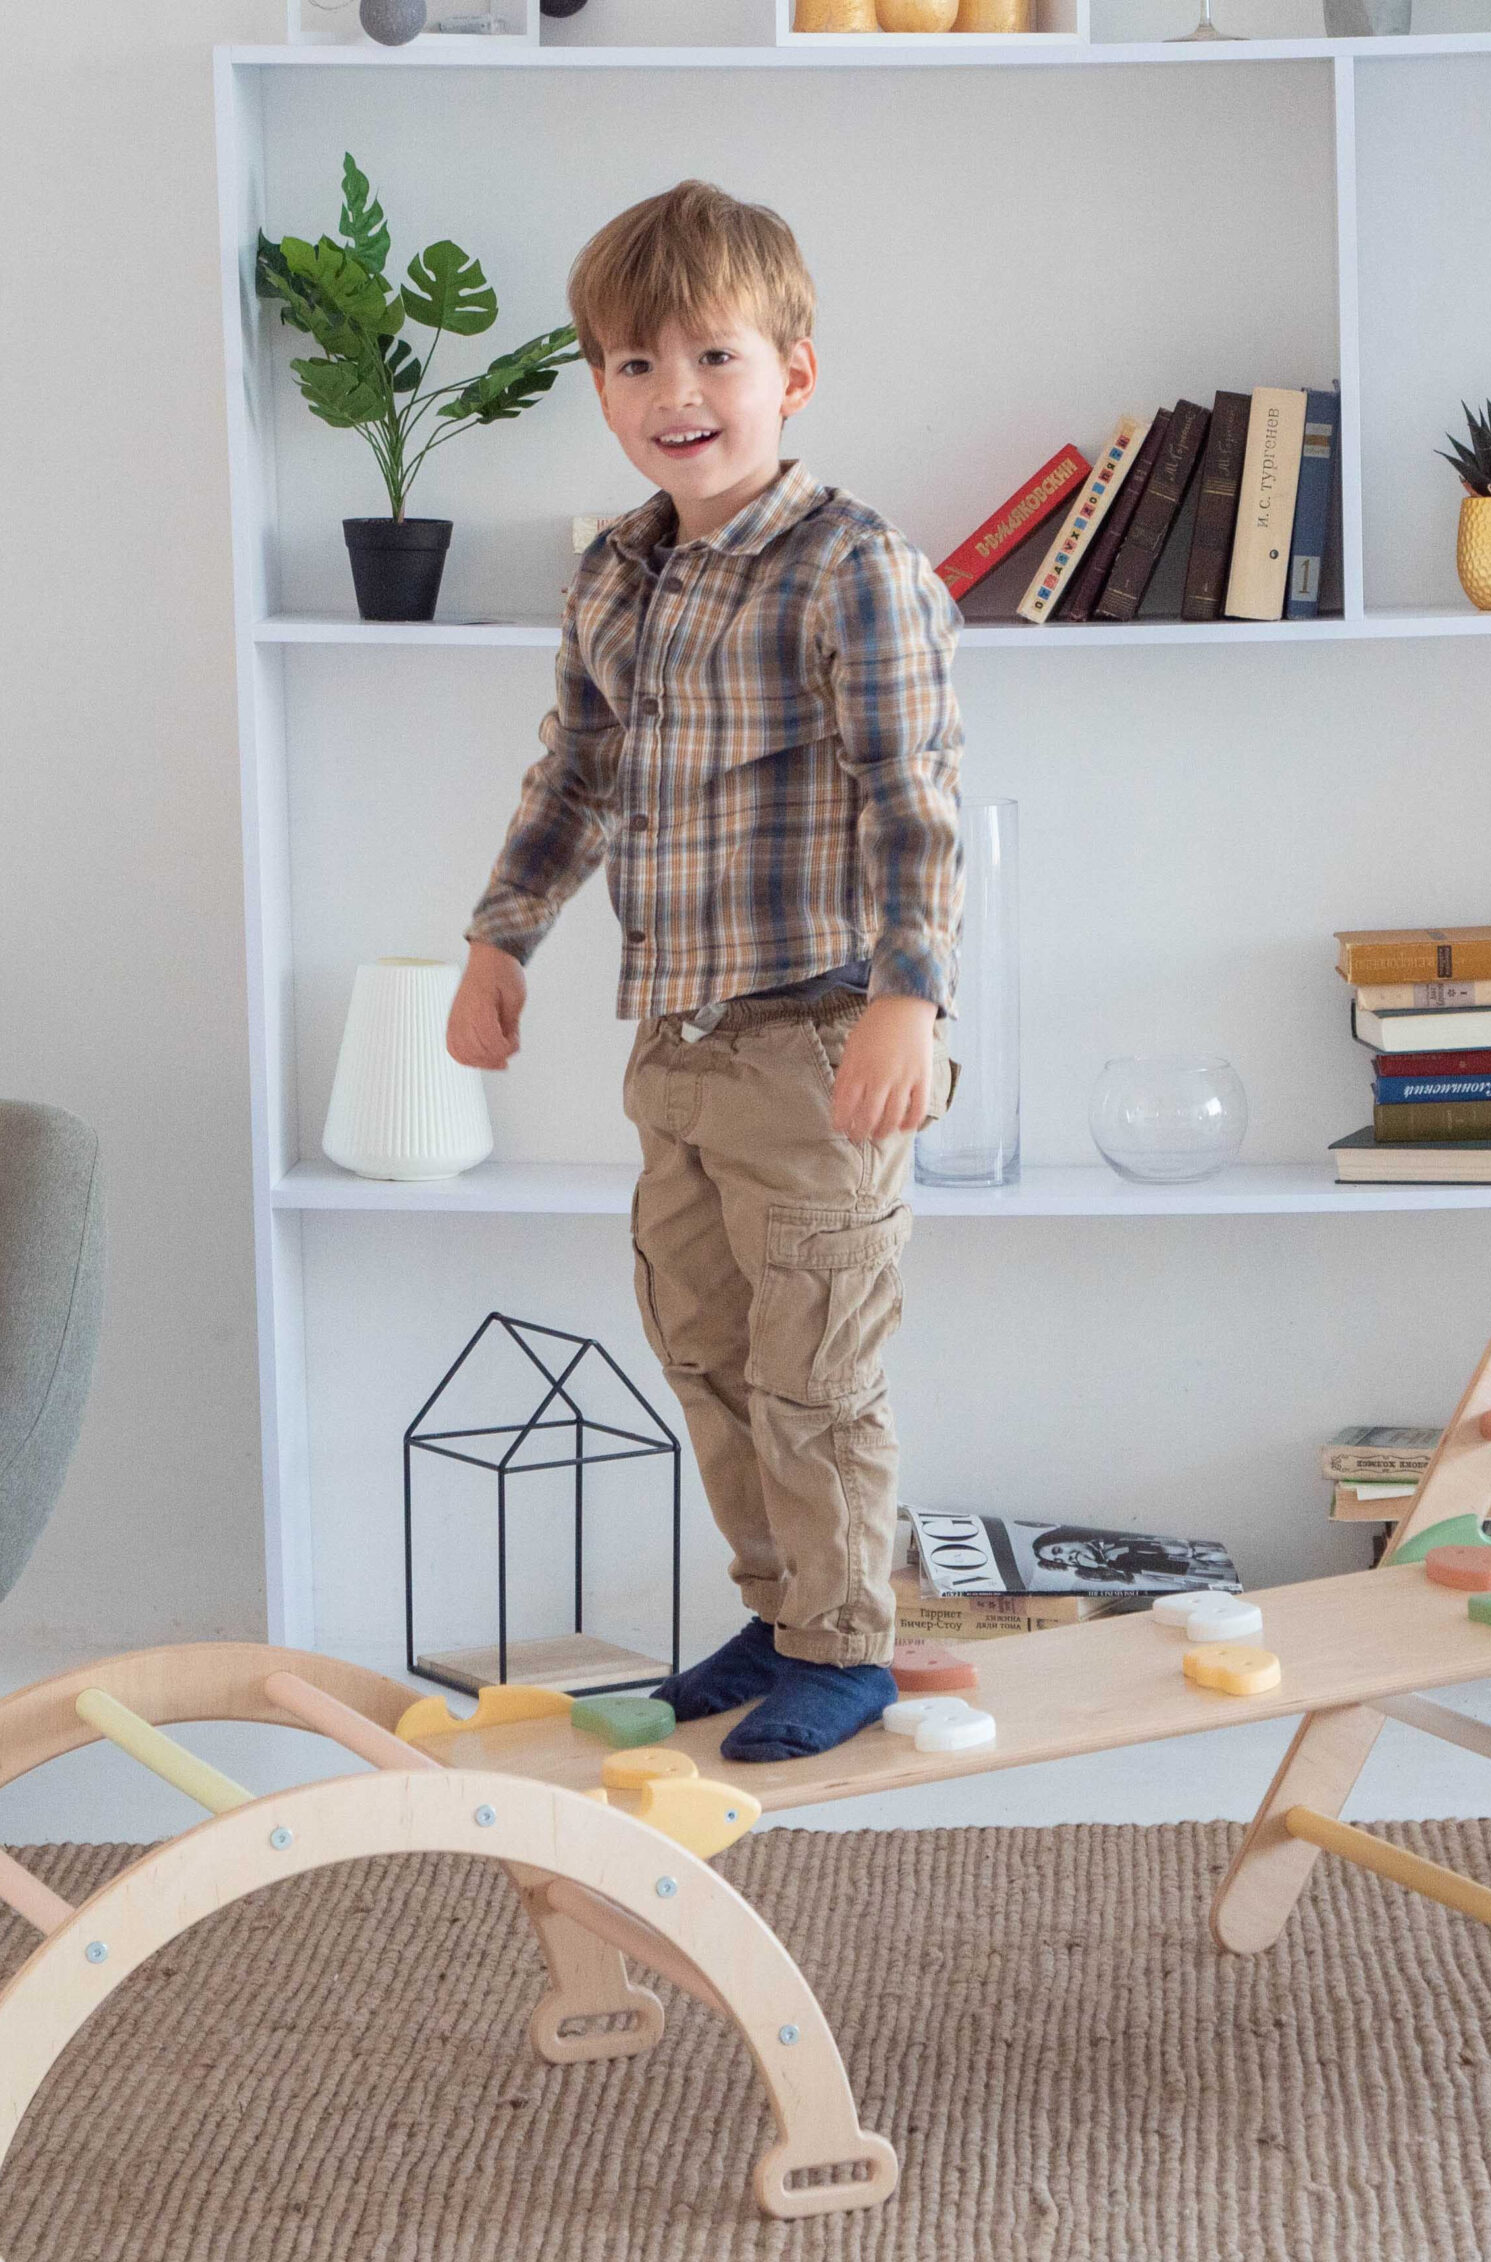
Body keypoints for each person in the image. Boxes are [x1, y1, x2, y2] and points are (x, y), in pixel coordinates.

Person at [446, 180, 962, 1761]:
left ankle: (848, 1642)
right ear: (602, 386)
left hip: (816, 1044)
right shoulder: (616, 571)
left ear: (792, 372)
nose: (677, 397)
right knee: (708, 1349)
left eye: (714, 359)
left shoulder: (849, 568)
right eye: (634, 365)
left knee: (818, 1368)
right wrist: (498, 939)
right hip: (674, 1046)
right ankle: (784, 1608)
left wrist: (908, 997)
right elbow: (573, 780)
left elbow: (911, 794)